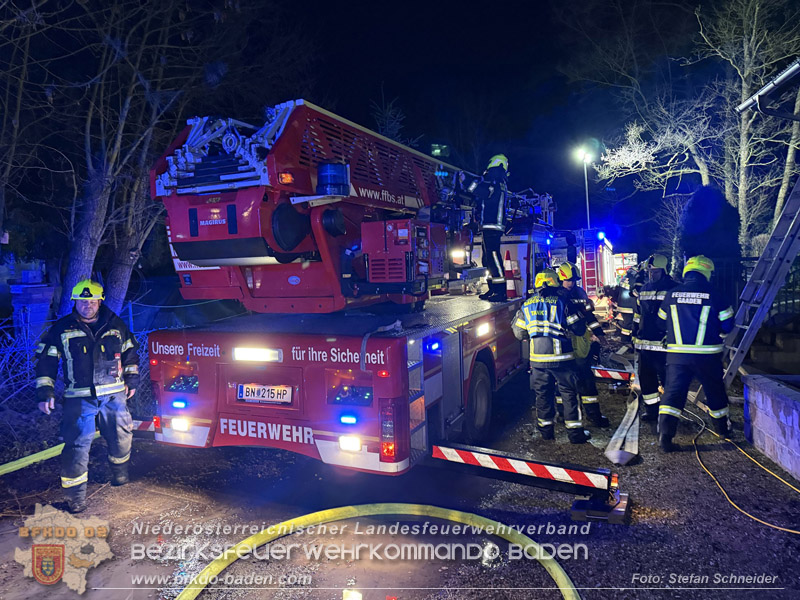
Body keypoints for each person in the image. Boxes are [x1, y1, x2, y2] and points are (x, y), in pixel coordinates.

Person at [35, 279, 139, 513]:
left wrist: (132, 380)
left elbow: (130, 354)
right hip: (79, 399)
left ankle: (120, 474)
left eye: (92, 301)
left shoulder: (116, 324)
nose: (87, 306)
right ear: (75, 302)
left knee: (122, 437)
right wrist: (45, 392)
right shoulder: (61, 329)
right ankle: (76, 497)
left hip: (114, 396)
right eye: (83, 301)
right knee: (76, 446)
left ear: (100, 301)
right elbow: (46, 362)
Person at [656, 256, 734, 452]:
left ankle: (665, 438)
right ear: (707, 272)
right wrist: (719, 334)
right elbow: (728, 325)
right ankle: (722, 430)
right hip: (707, 356)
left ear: (687, 272)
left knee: (673, 395)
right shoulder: (716, 295)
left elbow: (660, 322)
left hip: (677, 356)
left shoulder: (671, 295)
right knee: (715, 392)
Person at [512, 269, 591, 444]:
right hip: (562, 359)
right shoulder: (563, 302)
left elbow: (519, 333)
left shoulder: (526, 305)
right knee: (569, 393)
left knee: (542, 394)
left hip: (538, 360)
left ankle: (546, 432)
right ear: (555, 283)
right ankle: (575, 434)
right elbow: (578, 328)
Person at [555, 261, 610, 428]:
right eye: (568, 280)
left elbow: (589, 317)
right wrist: (579, 315)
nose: (571, 283)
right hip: (563, 344)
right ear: (560, 278)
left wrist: (600, 334)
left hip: (580, 344)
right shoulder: (557, 295)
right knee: (563, 384)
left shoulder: (580, 292)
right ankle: (562, 415)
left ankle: (594, 416)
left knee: (586, 381)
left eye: (573, 280)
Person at [632, 254, 678, 426]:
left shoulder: (673, 289)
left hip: (666, 346)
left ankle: (669, 414)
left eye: (655, 272)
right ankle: (651, 410)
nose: (652, 275)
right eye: (649, 272)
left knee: (669, 381)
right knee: (646, 380)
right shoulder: (644, 289)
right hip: (645, 345)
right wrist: (634, 333)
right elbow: (638, 314)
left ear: (664, 270)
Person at [470, 154, 509, 302]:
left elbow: (481, 192)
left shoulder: (495, 181)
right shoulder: (500, 182)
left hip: (492, 226)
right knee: (487, 259)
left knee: (493, 258)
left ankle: (500, 292)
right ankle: (493, 289)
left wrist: (466, 181)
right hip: (490, 226)